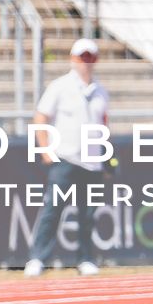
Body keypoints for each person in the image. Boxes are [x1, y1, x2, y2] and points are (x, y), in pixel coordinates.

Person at [26, 38, 110, 277]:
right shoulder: (60, 86)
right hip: (65, 158)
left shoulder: (101, 91)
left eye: (90, 57)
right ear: (73, 59)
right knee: (52, 209)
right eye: (82, 57)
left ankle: (85, 259)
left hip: (92, 162)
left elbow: (104, 123)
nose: (86, 62)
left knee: (88, 213)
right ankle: (38, 258)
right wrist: (45, 150)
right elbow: (41, 117)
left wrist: (105, 157)